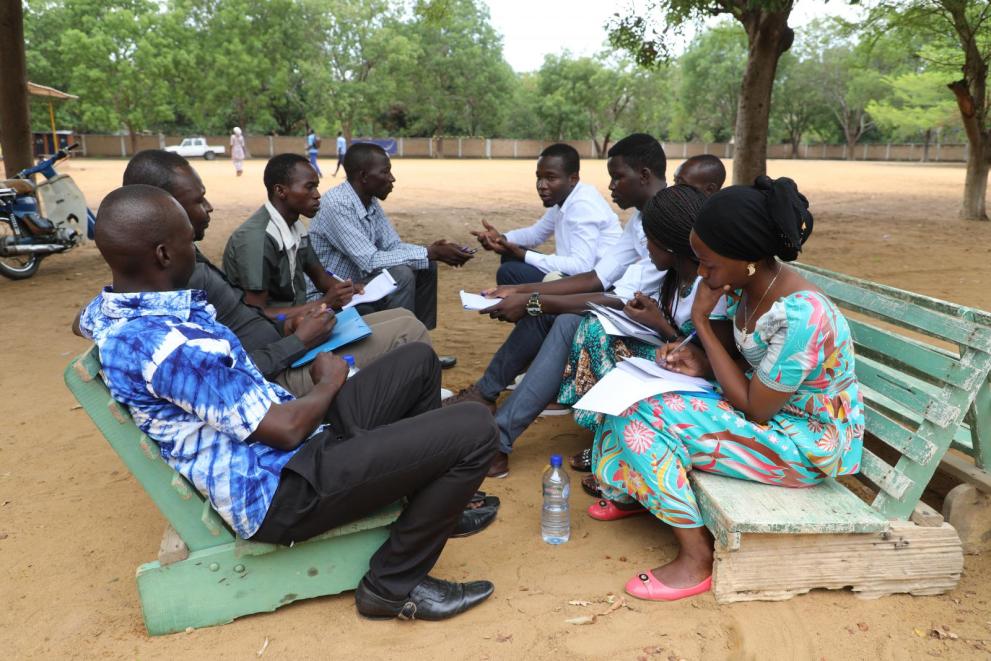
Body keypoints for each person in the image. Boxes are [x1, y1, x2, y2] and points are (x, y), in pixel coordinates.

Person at [80, 184, 499, 621]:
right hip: (281, 491)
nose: (197, 248)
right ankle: (392, 585)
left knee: (417, 362)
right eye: (190, 240)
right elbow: (286, 430)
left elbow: (86, 318)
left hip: (296, 450)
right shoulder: (165, 347)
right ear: (164, 255)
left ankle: (430, 508)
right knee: (475, 428)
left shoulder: (122, 310)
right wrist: (328, 382)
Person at [588, 176, 864, 603]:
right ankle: (638, 489)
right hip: (773, 417)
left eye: (709, 263)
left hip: (807, 444)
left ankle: (696, 557)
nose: (701, 273)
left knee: (643, 416)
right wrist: (697, 359)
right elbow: (734, 361)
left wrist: (700, 323)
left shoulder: (801, 316)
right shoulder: (748, 286)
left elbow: (757, 409)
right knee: (628, 394)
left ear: (748, 259)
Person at [112, 149, 432, 397]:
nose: (209, 207)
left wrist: (292, 323)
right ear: (162, 209)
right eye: (198, 200)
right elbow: (228, 371)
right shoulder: (179, 279)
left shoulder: (185, 261)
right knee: (409, 335)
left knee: (403, 319)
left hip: (285, 341)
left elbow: (252, 316)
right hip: (279, 371)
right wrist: (300, 337)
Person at [443, 134, 667, 478]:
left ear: (645, 174)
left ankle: (498, 438)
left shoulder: (665, 224)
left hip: (660, 336)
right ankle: (490, 401)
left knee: (559, 319)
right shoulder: (640, 221)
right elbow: (597, 277)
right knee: (546, 309)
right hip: (624, 316)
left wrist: (533, 301)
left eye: (618, 177)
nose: (610, 186)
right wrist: (517, 290)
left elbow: (618, 298)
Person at [558, 185, 731, 486]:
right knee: (595, 327)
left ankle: (620, 450)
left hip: (705, 379)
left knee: (608, 343)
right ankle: (607, 437)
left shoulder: (714, 285)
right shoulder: (674, 277)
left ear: (670, 245)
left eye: (650, 240)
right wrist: (653, 318)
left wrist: (660, 325)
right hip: (675, 359)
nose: (646, 247)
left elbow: (709, 358)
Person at [307, 141, 473, 338]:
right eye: (385, 172)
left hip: (360, 285)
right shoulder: (337, 205)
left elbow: (392, 245)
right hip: (331, 295)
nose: (392, 178)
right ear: (363, 176)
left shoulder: (369, 201)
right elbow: (369, 261)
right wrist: (430, 252)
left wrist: (432, 253)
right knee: (401, 274)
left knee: (426, 265)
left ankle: (419, 340)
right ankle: (400, 346)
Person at [223, 153, 355, 319]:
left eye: (316, 186)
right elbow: (256, 315)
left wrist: (350, 290)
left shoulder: (296, 226)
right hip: (267, 335)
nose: (317, 194)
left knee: (366, 312)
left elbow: (321, 278)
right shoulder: (258, 239)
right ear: (280, 191)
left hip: (296, 319)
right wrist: (325, 303)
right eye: (309, 187)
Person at [472, 143, 622, 286]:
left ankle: (550, 312)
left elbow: (581, 267)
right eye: (539, 177)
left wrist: (524, 254)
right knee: (510, 256)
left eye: (550, 178)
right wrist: (501, 239)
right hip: (580, 276)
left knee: (509, 272)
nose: (541, 186)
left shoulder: (582, 205)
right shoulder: (564, 199)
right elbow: (536, 234)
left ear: (573, 179)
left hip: (600, 284)